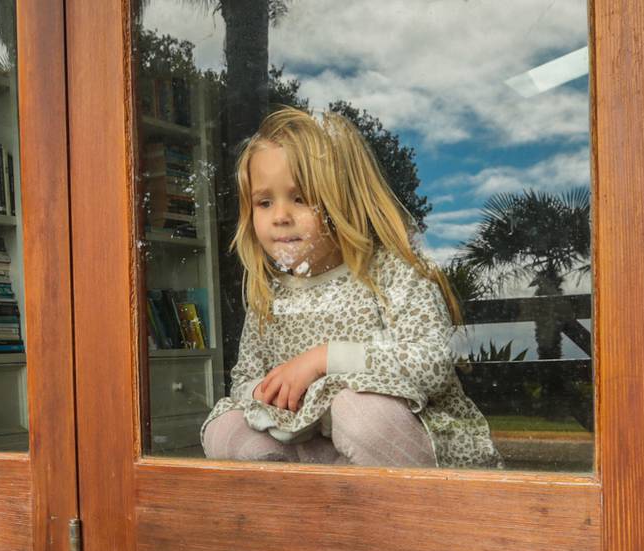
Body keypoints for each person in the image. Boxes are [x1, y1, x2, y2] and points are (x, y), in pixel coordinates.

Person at [200, 107, 501, 469]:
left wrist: (324, 359)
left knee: (358, 411)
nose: (280, 215)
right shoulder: (269, 296)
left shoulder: (391, 273)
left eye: (300, 197)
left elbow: (434, 361)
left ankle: (412, 514)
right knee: (225, 427)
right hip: (311, 446)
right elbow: (244, 377)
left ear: (343, 198)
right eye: (265, 202)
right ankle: (298, 505)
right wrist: (268, 393)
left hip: (401, 447)